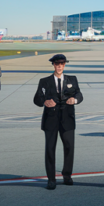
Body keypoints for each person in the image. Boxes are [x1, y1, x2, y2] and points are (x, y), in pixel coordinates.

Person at [33, 54, 82, 190]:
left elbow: (79, 94)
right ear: (53, 65)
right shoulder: (44, 81)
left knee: (69, 147)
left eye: (62, 63)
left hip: (68, 119)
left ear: (65, 64)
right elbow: (37, 99)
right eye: (56, 63)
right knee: (50, 149)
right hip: (51, 120)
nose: (59, 66)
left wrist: (75, 100)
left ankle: (67, 175)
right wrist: (44, 101)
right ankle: (51, 179)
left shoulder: (72, 79)